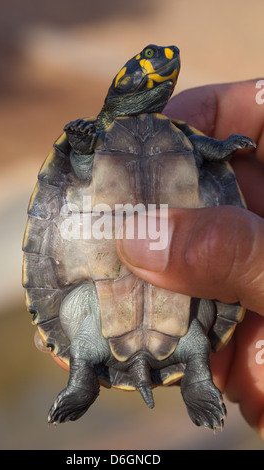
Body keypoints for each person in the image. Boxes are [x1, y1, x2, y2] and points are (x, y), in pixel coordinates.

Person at [116, 80, 264, 439]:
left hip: (184, 305)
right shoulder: (100, 135)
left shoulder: (177, 139)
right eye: (152, 61)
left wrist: (224, 146)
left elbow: (199, 149)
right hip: (104, 274)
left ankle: (196, 380)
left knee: (194, 338)